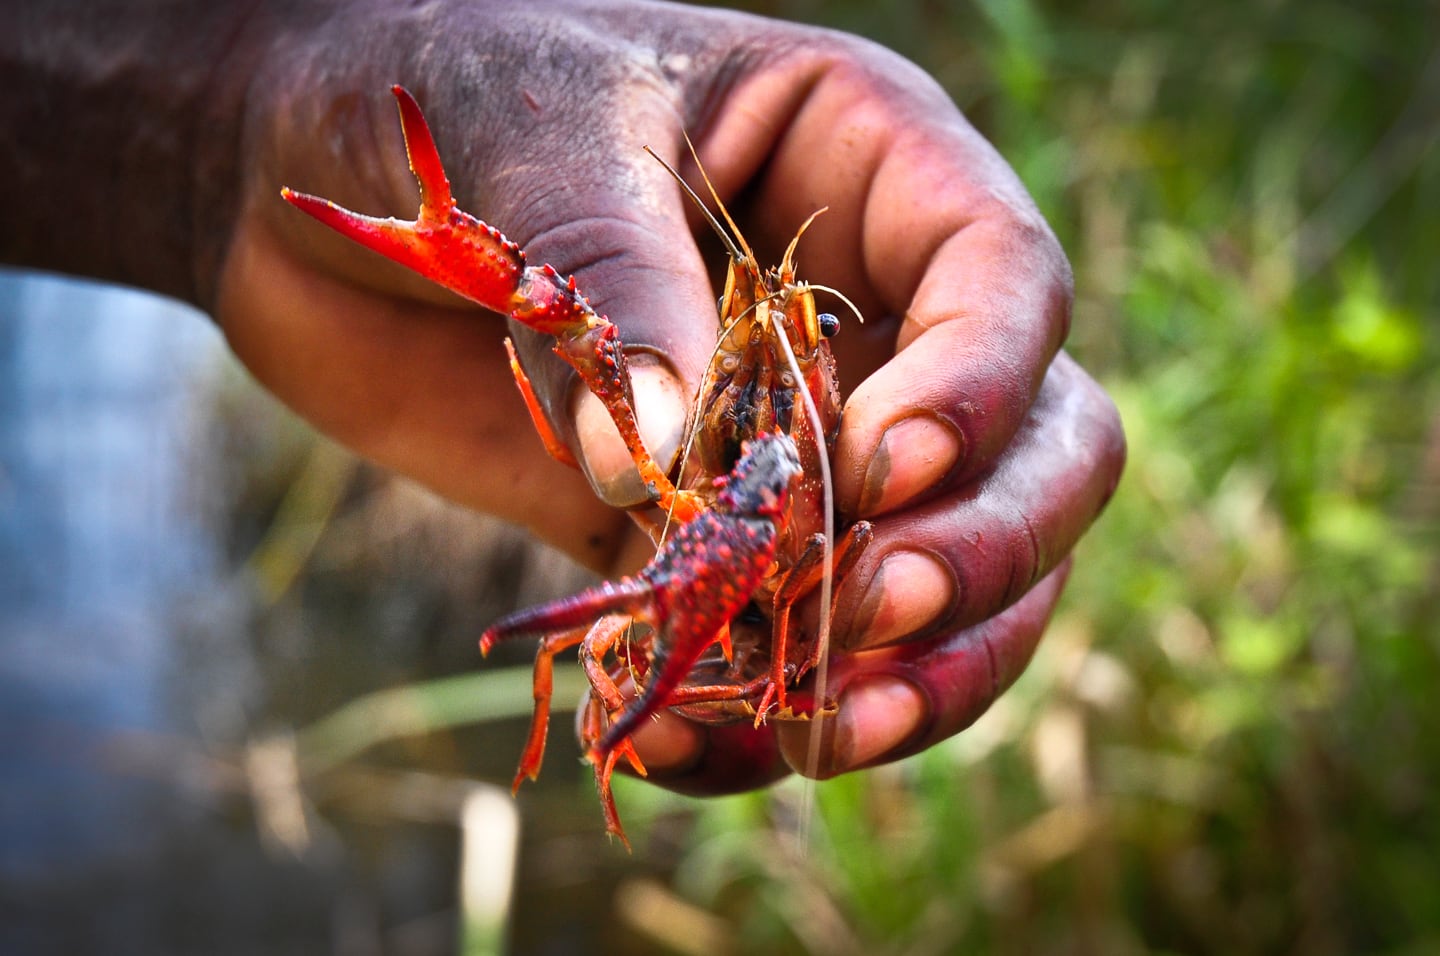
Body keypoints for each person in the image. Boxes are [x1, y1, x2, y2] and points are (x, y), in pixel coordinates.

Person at [1, 0, 1124, 795]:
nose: (765, 323)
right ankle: (594, 724)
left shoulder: (790, 457)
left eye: (806, 327)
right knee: (583, 619)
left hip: (767, 614)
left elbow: (799, 495)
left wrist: (223, 132)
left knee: (866, 594)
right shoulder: (703, 403)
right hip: (701, 569)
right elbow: (588, 332)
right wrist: (234, 124)